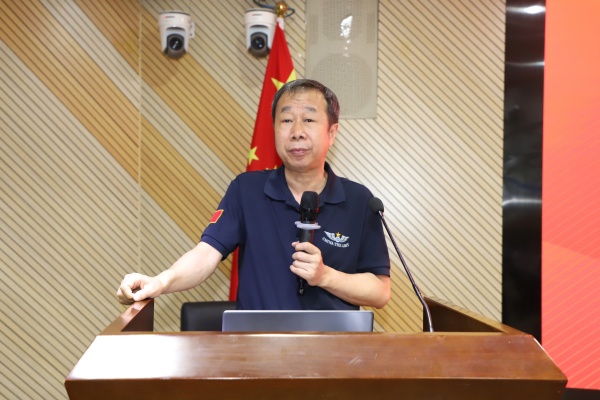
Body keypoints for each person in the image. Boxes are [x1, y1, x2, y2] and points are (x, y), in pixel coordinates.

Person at [117, 79, 390, 310]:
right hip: (258, 348)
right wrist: (160, 282)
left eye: (308, 119)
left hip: (334, 350)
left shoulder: (360, 201)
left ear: (332, 132)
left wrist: (324, 276)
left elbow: (380, 291)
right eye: (286, 120)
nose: (297, 132)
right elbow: (206, 255)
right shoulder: (246, 190)